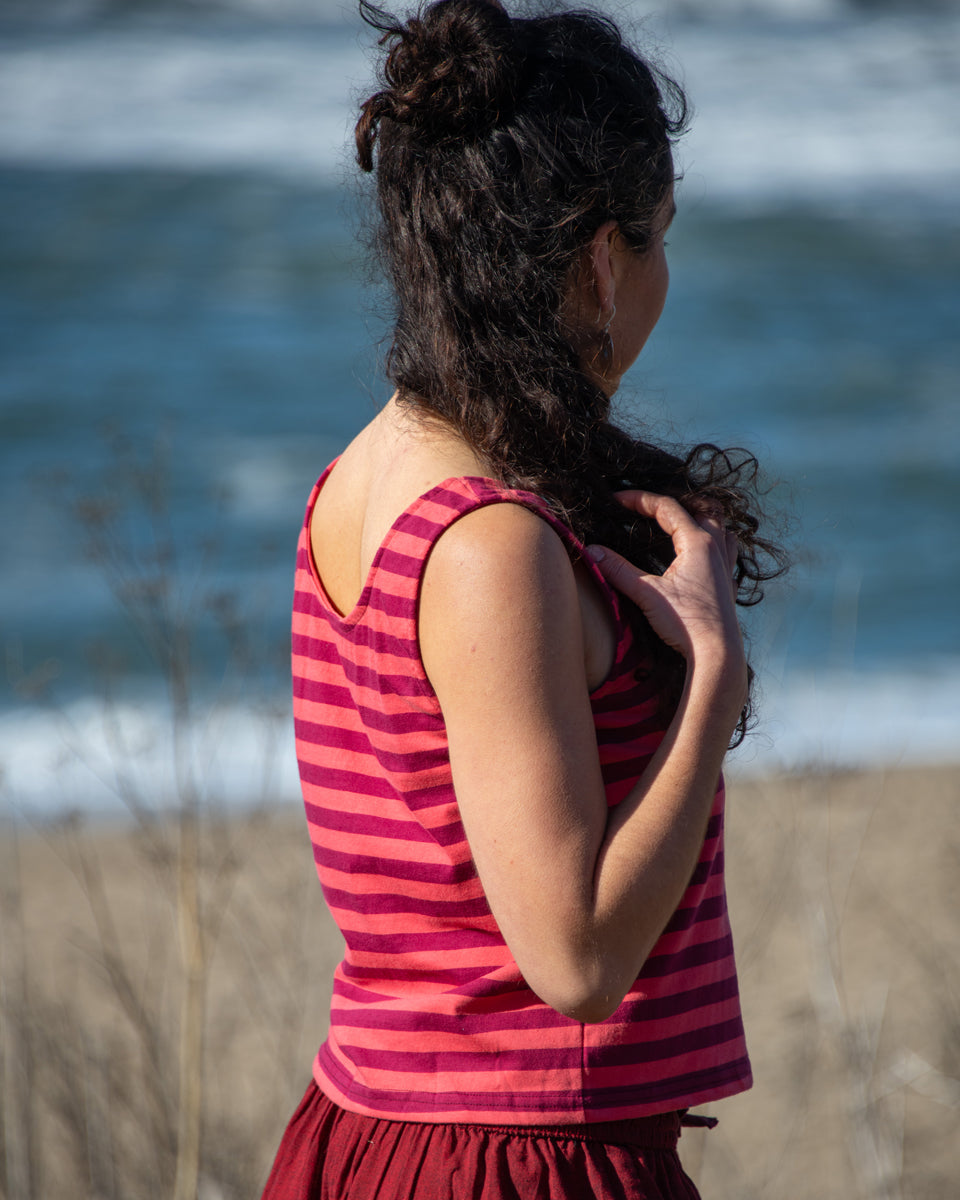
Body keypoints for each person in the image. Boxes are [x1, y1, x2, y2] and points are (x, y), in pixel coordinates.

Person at [261, 1, 784, 1196]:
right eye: (656, 238)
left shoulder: (360, 474)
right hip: (515, 1160)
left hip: (378, 1128)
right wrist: (713, 681)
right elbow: (578, 960)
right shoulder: (491, 540)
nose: (663, 274)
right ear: (601, 260)